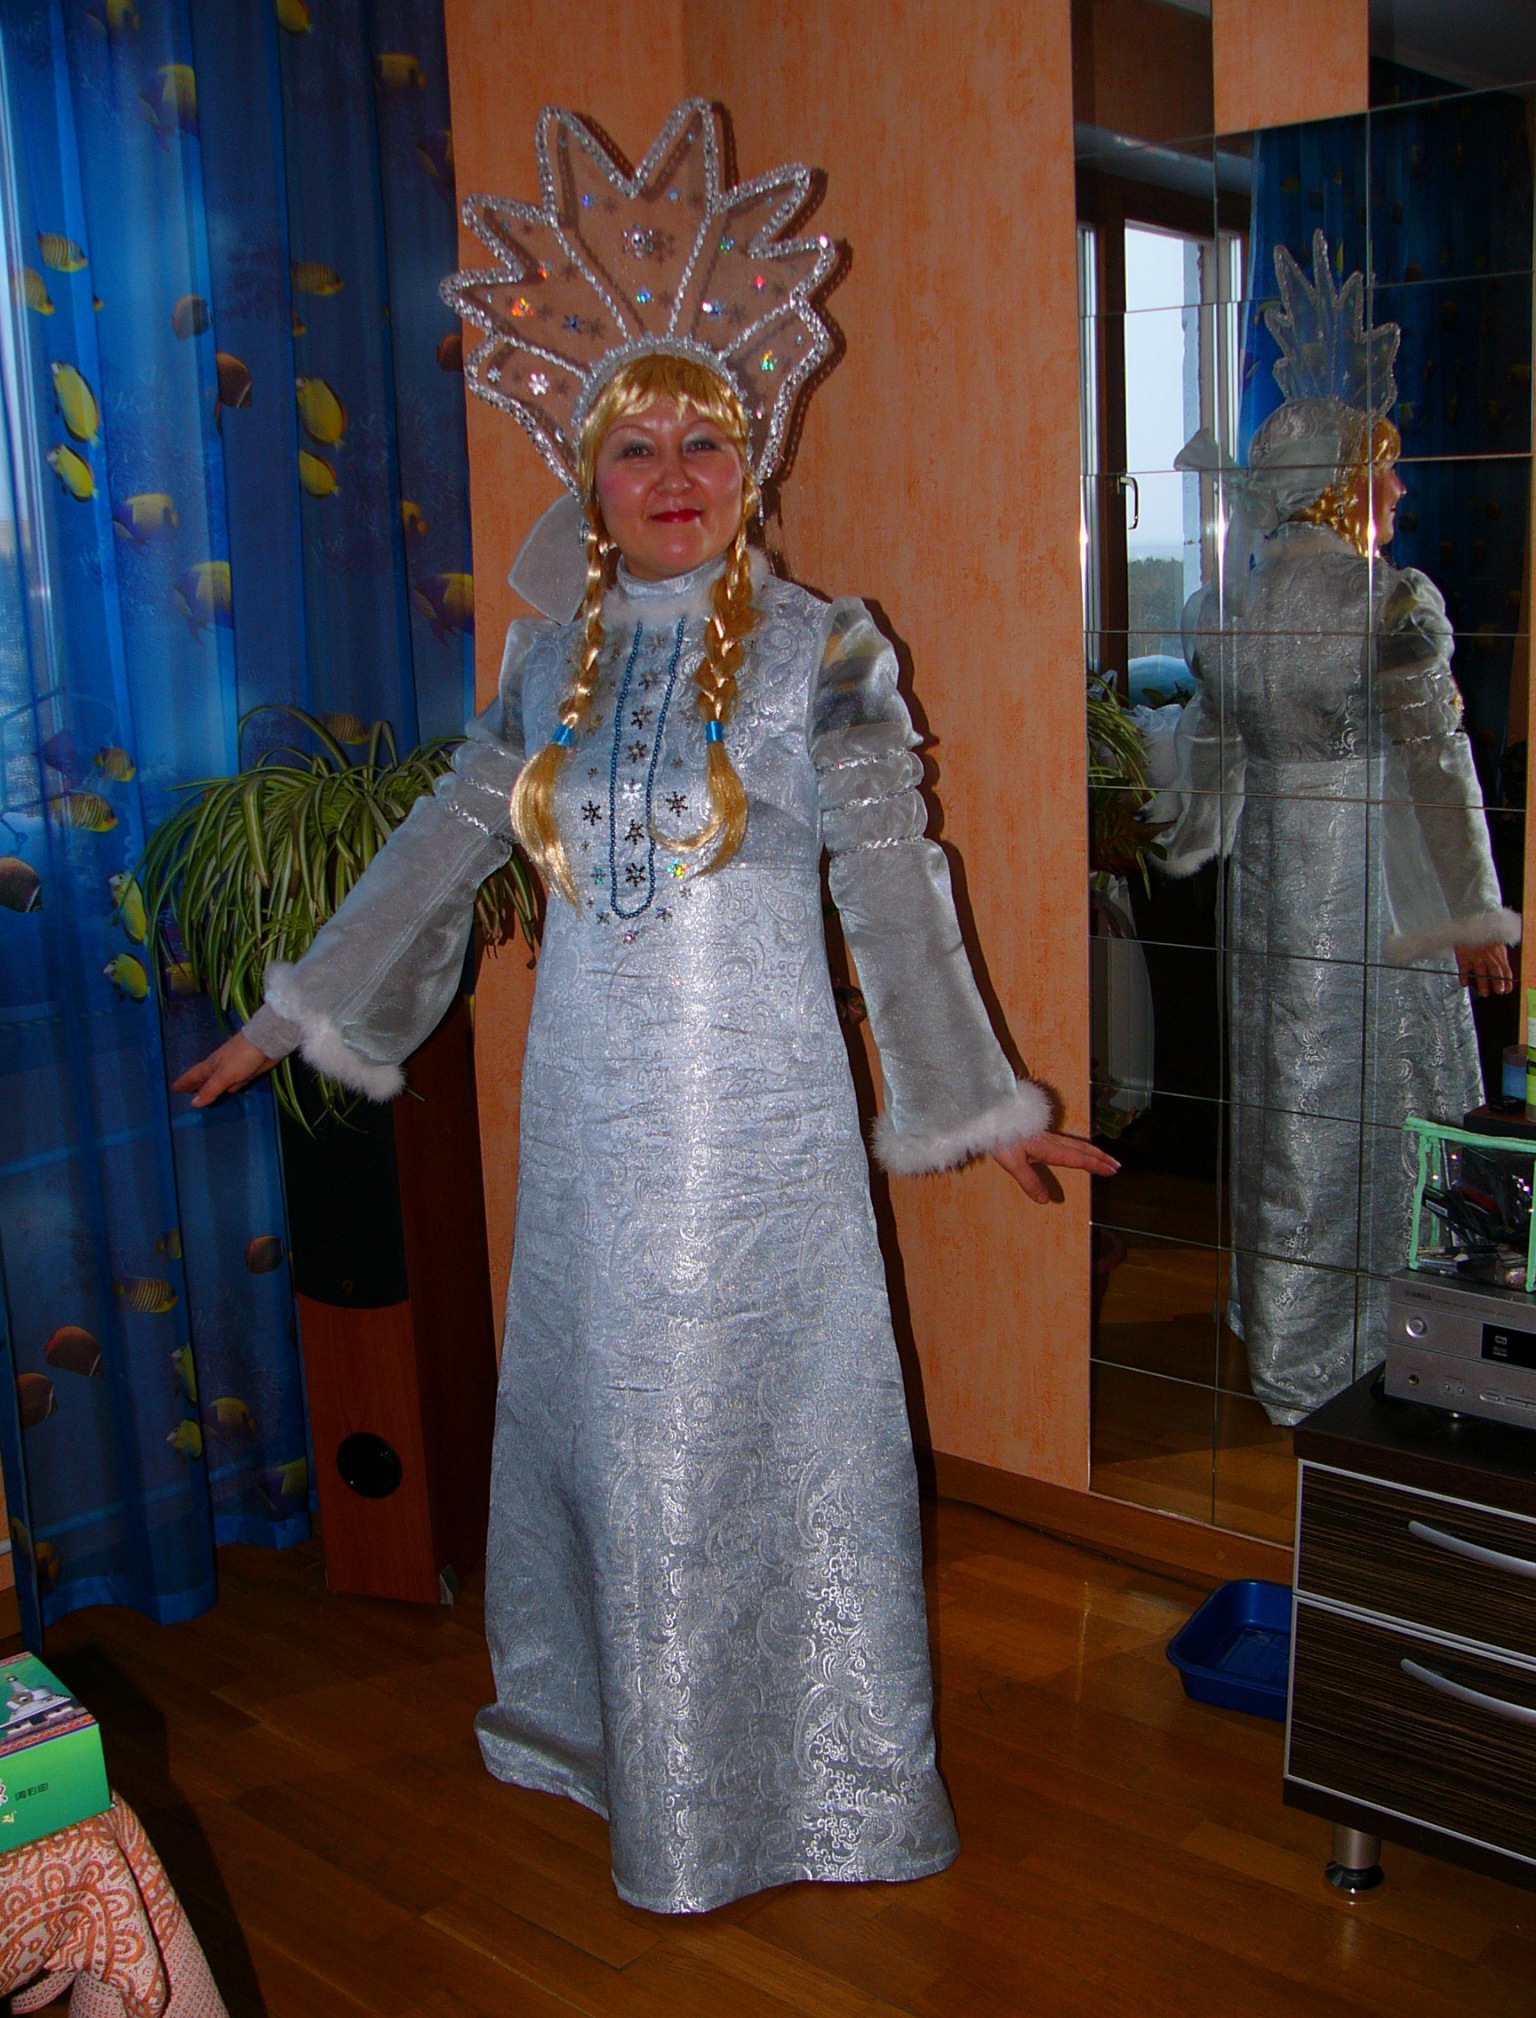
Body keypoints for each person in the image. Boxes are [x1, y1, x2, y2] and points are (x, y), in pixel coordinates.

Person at [175, 99, 1113, 1912]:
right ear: (587, 477)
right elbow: (445, 843)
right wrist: (297, 1014)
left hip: (757, 1131)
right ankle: (612, 1742)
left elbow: (893, 879)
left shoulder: (829, 646)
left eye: (705, 439)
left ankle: (806, 1781)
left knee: (747, 1426)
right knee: (610, 1415)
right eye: (634, 445)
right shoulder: (544, 659)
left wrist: (972, 1095)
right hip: (594, 1122)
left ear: (750, 461)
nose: (673, 472)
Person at [1165, 234, 1517, 1424]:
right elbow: (1438, 765)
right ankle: (1347, 1338)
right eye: (1383, 473)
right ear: (1336, 485)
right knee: (1361, 1088)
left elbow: (1212, 763)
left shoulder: (1227, 610)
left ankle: (1280, 1316)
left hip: (1271, 876)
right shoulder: (1390, 604)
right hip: (1366, 874)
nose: (1399, 493)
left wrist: (1190, 834)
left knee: (1285, 1089)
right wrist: (1474, 910)